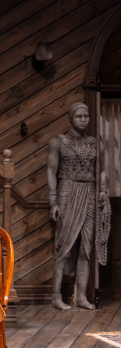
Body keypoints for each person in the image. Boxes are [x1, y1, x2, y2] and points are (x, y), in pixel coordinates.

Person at [47, 102, 109, 311]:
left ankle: (80, 296)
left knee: (85, 247)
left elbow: (101, 169)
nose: (84, 120)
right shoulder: (58, 142)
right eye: (79, 116)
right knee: (63, 246)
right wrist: (53, 201)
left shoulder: (94, 142)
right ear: (71, 119)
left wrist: (102, 190)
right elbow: (51, 170)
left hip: (89, 192)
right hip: (67, 191)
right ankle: (56, 296)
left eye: (86, 116)